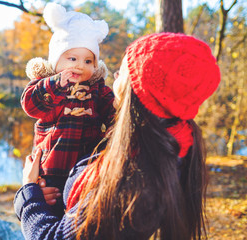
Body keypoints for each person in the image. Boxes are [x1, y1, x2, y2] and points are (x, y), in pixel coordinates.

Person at [14, 32, 221, 240]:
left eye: (122, 72)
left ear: (139, 89)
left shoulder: (132, 181)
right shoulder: (148, 142)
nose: (114, 77)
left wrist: (29, 194)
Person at [20, 3, 115, 216]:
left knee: (81, 216)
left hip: (87, 167)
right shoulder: (46, 84)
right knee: (50, 210)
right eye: (72, 58)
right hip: (51, 168)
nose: (80, 65)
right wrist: (55, 84)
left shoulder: (97, 88)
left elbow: (114, 110)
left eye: (88, 60)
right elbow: (31, 106)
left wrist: (116, 118)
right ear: (56, 60)